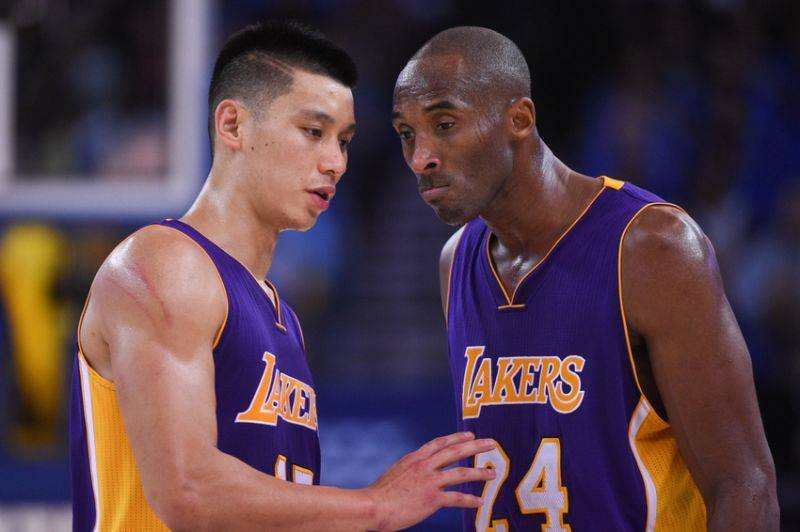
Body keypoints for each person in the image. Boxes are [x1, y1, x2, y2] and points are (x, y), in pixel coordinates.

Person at [70, 21, 496, 531]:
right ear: (233, 125)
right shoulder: (166, 263)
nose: (335, 162)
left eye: (344, 141)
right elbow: (188, 490)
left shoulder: (282, 317)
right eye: (313, 132)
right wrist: (376, 506)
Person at [391, 26, 779, 531]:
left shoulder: (650, 246)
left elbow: (744, 484)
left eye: (444, 124)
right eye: (406, 134)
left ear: (519, 119)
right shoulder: (456, 261)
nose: (421, 157)